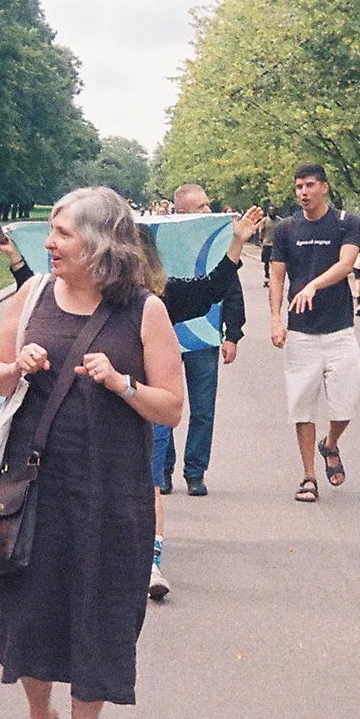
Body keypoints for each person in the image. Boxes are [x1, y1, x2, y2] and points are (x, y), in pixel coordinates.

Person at [0, 186, 185, 719]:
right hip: (37, 484)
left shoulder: (145, 311)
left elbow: (172, 408)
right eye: (51, 231)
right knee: (32, 608)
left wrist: (122, 383)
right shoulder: (33, 293)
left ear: (100, 242)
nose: (48, 243)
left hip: (112, 492)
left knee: (99, 612)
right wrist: (21, 365)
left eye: (62, 233)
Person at [0, 202, 262, 600]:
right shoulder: (56, 291)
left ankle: (150, 556)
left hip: (137, 417)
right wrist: (15, 261)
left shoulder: (158, 299)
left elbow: (212, 288)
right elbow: (37, 294)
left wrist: (236, 244)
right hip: (52, 463)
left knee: (148, 483)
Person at [269, 163, 360, 503]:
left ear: (324, 187)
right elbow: (277, 275)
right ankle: (308, 476)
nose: (303, 193)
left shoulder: (345, 223)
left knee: (345, 405)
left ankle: (331, 444)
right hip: (301, 333)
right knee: (302, 407)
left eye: (309, 185)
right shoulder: (286, 228)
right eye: (298, 187)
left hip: (339, 329)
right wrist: (275, 319)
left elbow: (346, 263)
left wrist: (313, 285)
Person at [159, 184, 248, 500]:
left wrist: (232, 333)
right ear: (181, 212)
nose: (208, 211)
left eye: (208, 205)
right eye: (201, 207)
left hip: (205, 337)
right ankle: (163, 470)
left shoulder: (218, 243)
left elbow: (231, 288)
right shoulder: (162, 242)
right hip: (165, 336)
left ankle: (195, 472)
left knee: (202, 410)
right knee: (162, 407)